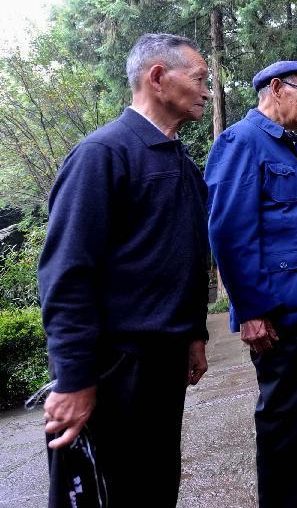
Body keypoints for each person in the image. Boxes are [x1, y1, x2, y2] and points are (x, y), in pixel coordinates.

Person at [38, 33, 211, 507]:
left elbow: (188, 257)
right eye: (199, 79)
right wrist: (74, 378)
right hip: (117, 369)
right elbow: (66, 274)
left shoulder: (182, 164)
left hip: (164, 365)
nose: (206, 91)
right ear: (158, 77)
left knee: (155, 488)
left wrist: (194, 334)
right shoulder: (102, 155)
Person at [204, 60, 297, 508]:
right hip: (281, 318)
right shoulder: (240, 142)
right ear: (275, 87)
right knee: (287, 427)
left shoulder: (292, 149)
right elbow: (228, 234)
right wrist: (250, 311)